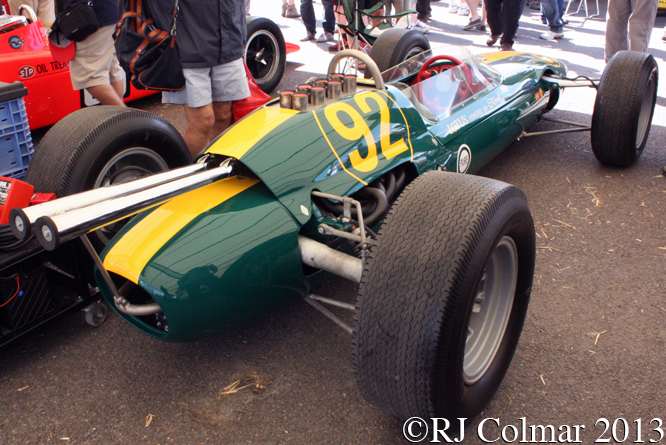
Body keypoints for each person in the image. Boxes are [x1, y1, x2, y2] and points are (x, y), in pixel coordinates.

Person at [159, 0, 250, 158]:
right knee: (202, 120)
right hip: (188, 42)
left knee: (224, 115)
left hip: (228, 41)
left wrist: (241, 34)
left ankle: (216, 170)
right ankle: (185, 176)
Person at [63, 0, 126, 106]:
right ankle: (119, 116)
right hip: (106, 12)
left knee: (90, 76)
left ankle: (125, 117)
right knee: (112, 69)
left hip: (90, 15)